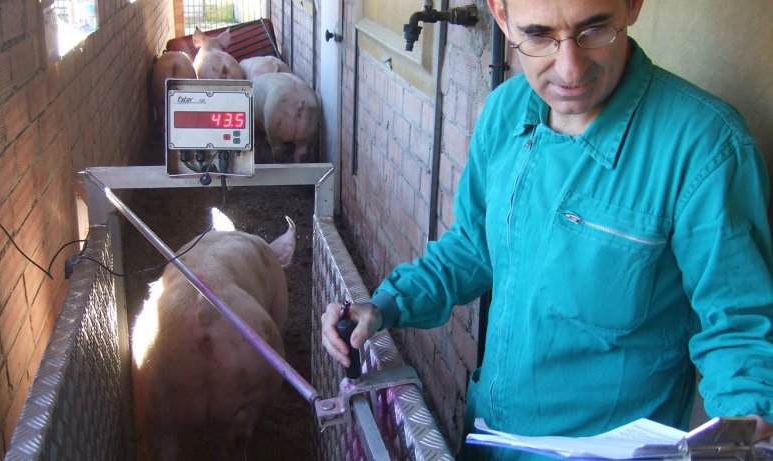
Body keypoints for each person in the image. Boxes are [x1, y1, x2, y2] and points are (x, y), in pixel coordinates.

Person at [321, 0, 773, 459]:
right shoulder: (505, 110)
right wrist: (383, 306)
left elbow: (738, 327)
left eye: (595, 29)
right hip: (491, 438)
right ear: (501, 16)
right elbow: (474, 247)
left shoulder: (705, 146)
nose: (570, 68)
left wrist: (748, 423)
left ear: (632, 6)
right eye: (538, 36)